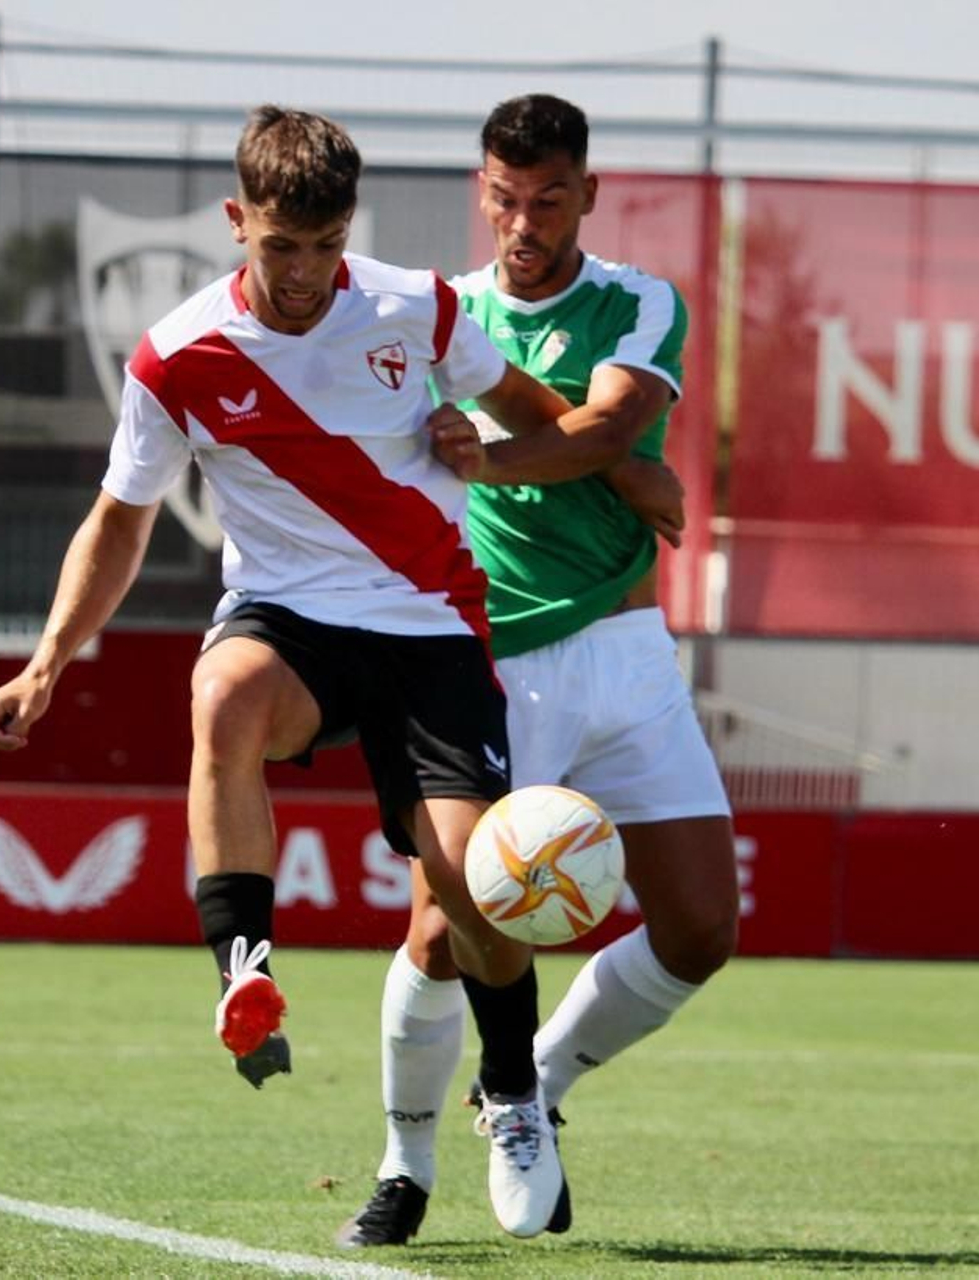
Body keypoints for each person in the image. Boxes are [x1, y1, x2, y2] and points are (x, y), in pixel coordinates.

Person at [0, 105, 586, 1241]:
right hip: (287, 618)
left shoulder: (417, 305)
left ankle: (513, 1091)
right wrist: (47, 662)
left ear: (347, 229)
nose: (303, 274)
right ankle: (244, 971)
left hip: (430, 627)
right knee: (221, 696)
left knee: (471, 896)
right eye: (278, 246)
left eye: (324, 245)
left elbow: (531, 413)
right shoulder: (178, 354)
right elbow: (117, 520)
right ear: (235, 223)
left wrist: (540, 459)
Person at [338, 93, 740, 1249]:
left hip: (626, 652)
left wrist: (504, 458)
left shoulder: (636, 298)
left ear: (587, 195)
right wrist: (605, 476)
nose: (525, 221)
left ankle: (536, 1080)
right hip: (493, 663)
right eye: (506, 198)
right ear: (482, 191)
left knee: (701, 926)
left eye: (548, 198)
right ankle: (404, 1162)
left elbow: (608, 427)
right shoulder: (436, 318)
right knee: (440, 932)